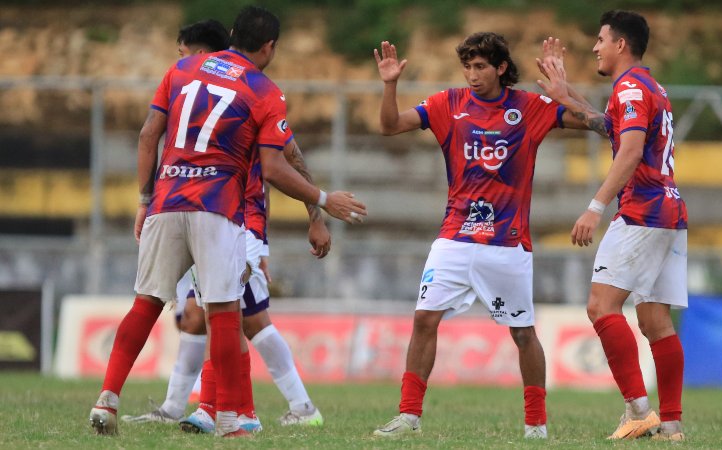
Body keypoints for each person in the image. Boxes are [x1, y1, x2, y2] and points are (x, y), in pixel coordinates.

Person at [89, 5, 366, 438]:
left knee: (147, 303)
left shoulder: (181, 69)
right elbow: (276, 166)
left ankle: (108, 397)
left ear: (232, 33)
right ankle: (233, 417)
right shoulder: (264, 91)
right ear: (270, 47)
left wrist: (145, 199)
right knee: (224, 314)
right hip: (217, 209)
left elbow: (148, 136)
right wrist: (323, 201)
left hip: (166, 200)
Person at [371, 32, 606, 439]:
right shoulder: (449, 104)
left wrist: (566, 93)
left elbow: (603, 125)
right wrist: (390, 84)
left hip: (507, 244)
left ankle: (536, 424)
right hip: (454, 238)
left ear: (500, 68)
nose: (472, 75)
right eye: (467, 66)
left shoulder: (528, 108)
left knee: (522, 333)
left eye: (480, 66)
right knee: (424, 319)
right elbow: (390, 126)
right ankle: (409, 416)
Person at [569, 10, 688, 441]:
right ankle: (671, 424)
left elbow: (631, 150)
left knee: (601, 306)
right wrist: (567, 96)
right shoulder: (649, 86)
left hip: (642, 210)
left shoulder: (632, 87)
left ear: (621, 44)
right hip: (669, 211)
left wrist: (595, 207)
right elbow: (614, 130)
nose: (595, 47)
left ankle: (638, 410)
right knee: (656, 320)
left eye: (601, 39)